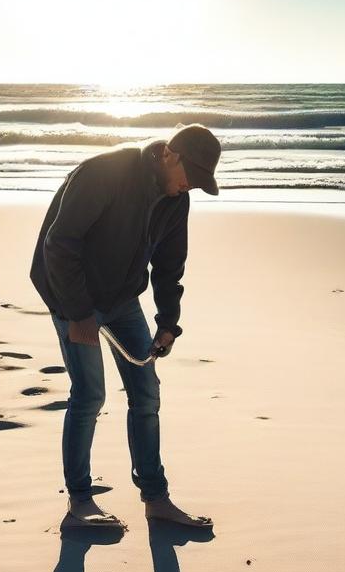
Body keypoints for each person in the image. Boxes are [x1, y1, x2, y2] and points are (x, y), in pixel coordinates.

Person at [30, 124, 220, 531]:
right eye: (191, 176)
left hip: (121, 300)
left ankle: (156, 498)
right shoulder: (105, 173)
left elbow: (170, 266)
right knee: (89, 395)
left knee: (147, 394)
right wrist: (79, 314)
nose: (191, 187)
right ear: (170, 154)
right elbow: (58, 244)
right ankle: (79, 502)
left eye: (200, 183)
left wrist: (168, 322)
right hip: (70, 295)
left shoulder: (175, 199)